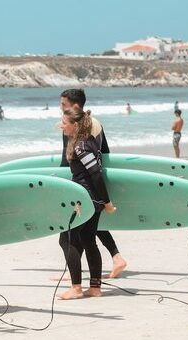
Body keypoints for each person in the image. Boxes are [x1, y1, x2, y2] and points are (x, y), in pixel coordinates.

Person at [59, 89, 127, 278]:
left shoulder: (78, 125)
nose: (61, 108)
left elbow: (70, 155)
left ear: (74, 106)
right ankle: (102, 264)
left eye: (63, 104)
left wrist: (61, 179)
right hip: (92, 183)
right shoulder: (92, 122)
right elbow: (104, 152)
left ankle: (77, 277)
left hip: (84, 183)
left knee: (75, 234)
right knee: (88, 233)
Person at [58, 106, 116, 300]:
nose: (61, 126)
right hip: (92, 198)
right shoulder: (88, 142)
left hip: (86, 199)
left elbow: (96, 174)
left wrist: (106, 202)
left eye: (65, 123)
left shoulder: (81, 146)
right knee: (88, 240)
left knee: (67, 239)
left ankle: (76, 288)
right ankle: (95, 287)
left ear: (75, 125)